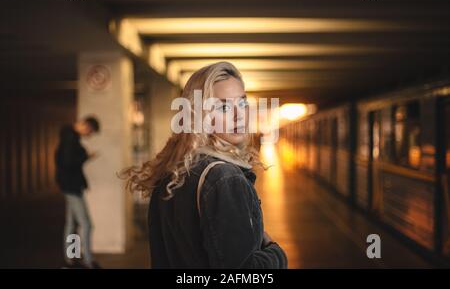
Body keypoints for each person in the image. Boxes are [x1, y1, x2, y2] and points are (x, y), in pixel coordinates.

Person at [121, 62, 288, 268]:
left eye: (242, 103)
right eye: (224, 107)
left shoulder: (171, 172)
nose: (239, 115)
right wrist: (275, 252)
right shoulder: (225, 178)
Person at [55, 116, 101, 269]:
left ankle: (71, 259)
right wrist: (86, 156)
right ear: (86, 126)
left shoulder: (69, 136)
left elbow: (65, 160)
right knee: (87, 225)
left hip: (70, 186)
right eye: (90, 131)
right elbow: (68, 162)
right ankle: (88, 261)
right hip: (72, 187)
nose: (88, 135)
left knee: (71, 223)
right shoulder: (70, 137)